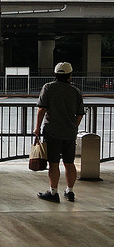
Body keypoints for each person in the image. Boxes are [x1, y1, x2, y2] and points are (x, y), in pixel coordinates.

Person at [34, 62, 85, 202]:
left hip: (52, 132)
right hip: (69, 133)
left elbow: (42, 109)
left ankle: (53, 192)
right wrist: (73, 126)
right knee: (69, 163)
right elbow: (80, 113)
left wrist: (37, 127)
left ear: (55, 74)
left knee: (54, 163)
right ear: (70, 75)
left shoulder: (48, 88)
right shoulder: (76, 91)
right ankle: (70, 191)